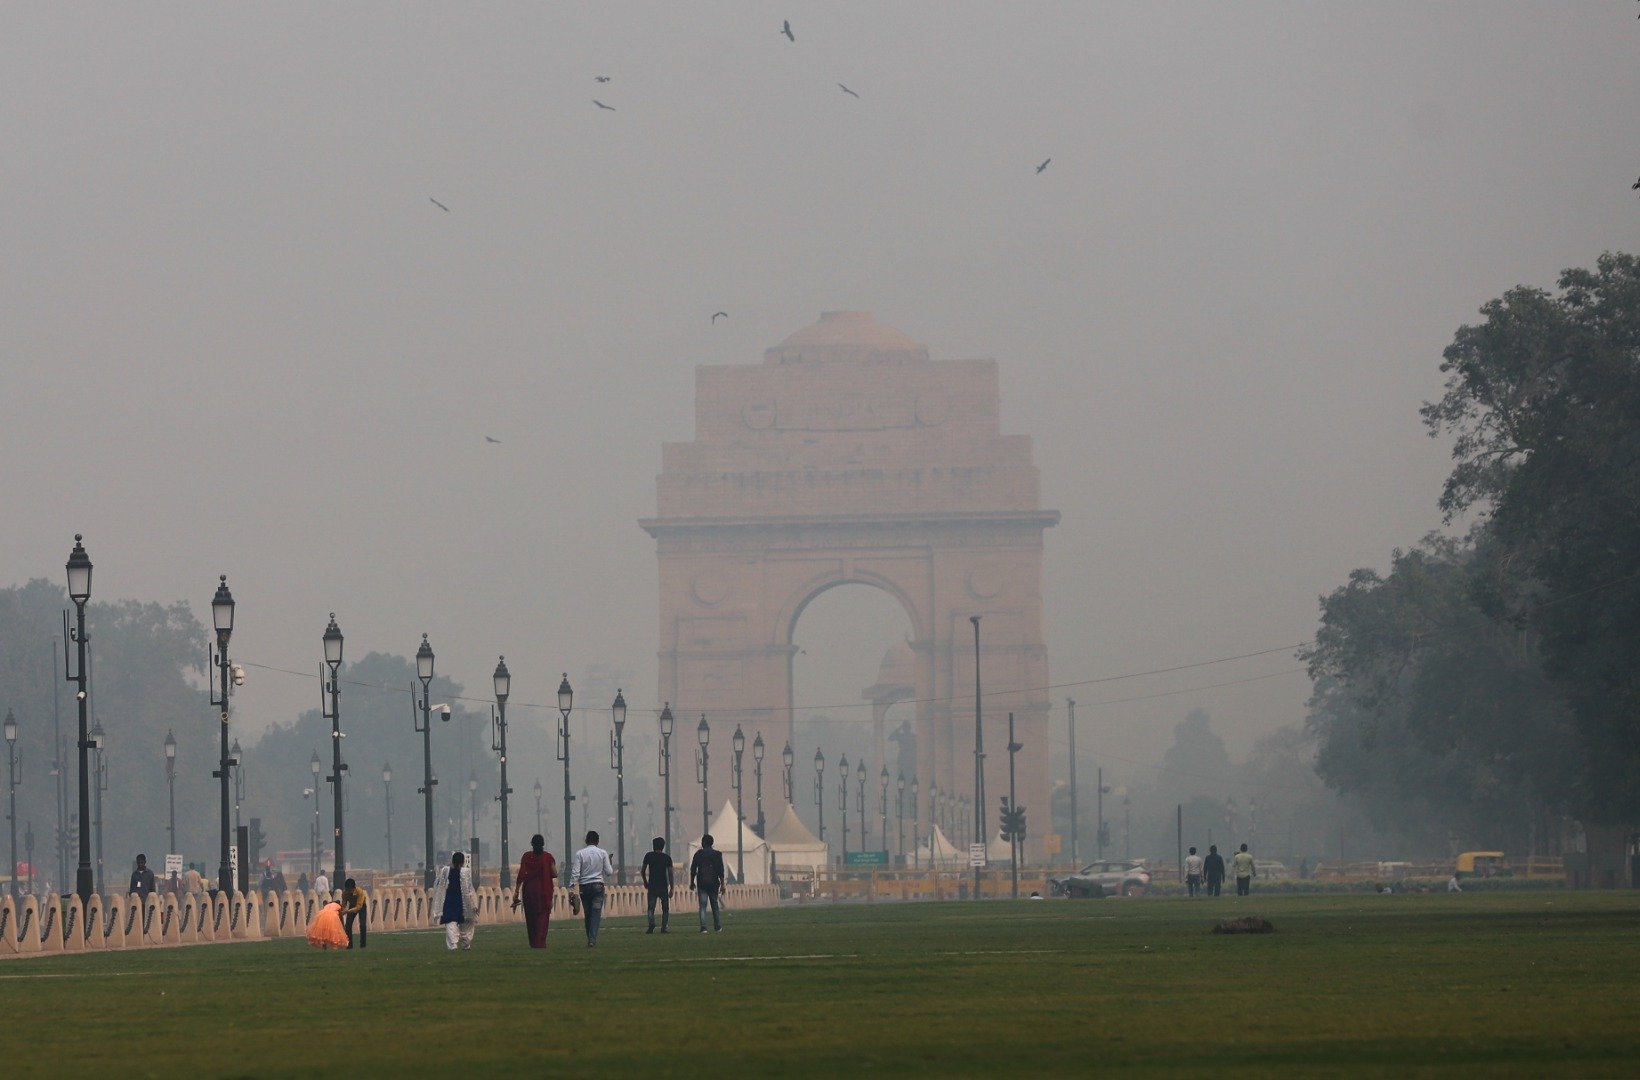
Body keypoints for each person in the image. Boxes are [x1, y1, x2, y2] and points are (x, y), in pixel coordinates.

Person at [568, 830, 616, 947]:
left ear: (586, 841)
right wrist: (609, 862)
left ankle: (590, 937)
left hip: (584, 887)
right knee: (596, 914)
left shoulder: (580, 854)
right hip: (598, 887)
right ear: (598, 841)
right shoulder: (603, 853)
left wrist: (571, 888)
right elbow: (609, 872)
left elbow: (575, 872)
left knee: (588, 913)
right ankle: (592, 939)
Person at [510, 834, 556, 949]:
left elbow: (521, 875)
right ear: (543, 844)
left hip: (529, 890)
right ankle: (540, 941)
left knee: (531, 917)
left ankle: (533, 942)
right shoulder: (547, 857)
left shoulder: (526, 856)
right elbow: (554, 873)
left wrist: (516, 892)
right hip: (544, 890)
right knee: (543, 916)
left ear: (532, 844)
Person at [434, 851, 478, 950]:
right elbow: (470, 890)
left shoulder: (446, 871)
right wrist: (474, 905)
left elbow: (439, 886)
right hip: (462, 903)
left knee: (451, 923)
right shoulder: (464, 873)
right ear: (462, 862)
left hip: (450, 902)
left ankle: (453, 945)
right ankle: (466, 943)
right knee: (467, 924)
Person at [689, 833, 726, 933]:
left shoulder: (698, 854)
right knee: (715, 905)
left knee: (702, 906)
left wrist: (692, 882)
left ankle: (704, 927)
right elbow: (720, 870)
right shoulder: (717, 854)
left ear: (703, 843)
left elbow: (693, 869)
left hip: (702, 883)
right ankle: (718, 926)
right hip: (714, 883)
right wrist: (722, 884)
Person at [641, 836, 674, 934]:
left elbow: (643, 870)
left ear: (653, 846)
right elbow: (670, 873)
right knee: (665, 908)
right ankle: (664, 927)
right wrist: (672, 887)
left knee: (651, 907)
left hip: (652, 885)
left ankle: (651, 923)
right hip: (663, 885)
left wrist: (645, 881)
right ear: (663, 846)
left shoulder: (648, 856)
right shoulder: (667, 858)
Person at [339, 878, 367, 949]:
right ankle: (349, 945)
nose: (349, 892)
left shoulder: (359, 891)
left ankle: (362, 945)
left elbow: (358, 907)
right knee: (348, 925)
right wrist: (342, 910)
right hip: (352, 905)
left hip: (361, 906)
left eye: (350, 890)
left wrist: (347, 911)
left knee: (363, 925)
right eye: (347, 890)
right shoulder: (344, 893)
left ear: (354, 888)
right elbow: (344, 904)